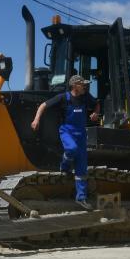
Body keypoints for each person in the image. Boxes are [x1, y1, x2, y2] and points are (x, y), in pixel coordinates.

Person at [31, 75, 100, 210]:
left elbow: (96, 104)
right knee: (72, 149)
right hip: (67, 131)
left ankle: (81, 198)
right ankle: (65, 165)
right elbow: (43, 106)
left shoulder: (86, 97)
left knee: (82, 168)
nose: (85, 86)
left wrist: (96, 113)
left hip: (81, 134)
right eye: (82, 84)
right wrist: (36, 120)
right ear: (74, 86)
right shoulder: (63, 98)